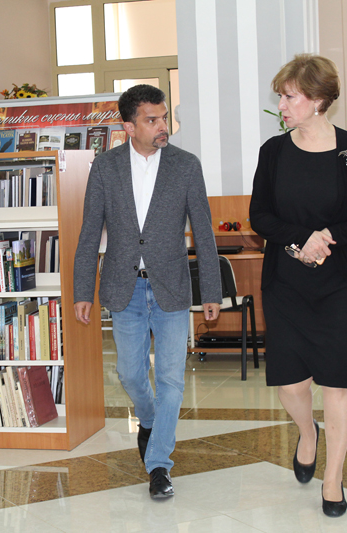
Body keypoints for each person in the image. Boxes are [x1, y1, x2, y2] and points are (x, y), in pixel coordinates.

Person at [249, 54, 347, 517]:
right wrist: (300, 239)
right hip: (287, 282)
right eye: (281, 97)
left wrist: (327, 236)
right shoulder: (274, 152)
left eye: (289, 97)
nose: (281, 105)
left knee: (338, 382)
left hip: (343, 281)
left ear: (317, 99)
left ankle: (333, 477)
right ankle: (307, 433)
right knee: (291, 383)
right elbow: (259, 215)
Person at [73, 84, 222, 499]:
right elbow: (89, 233)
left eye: (164, 118)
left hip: (171, 287)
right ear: (128, 126)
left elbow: (204, 232)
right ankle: (150, 418)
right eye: (152, 120)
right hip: (125, 288)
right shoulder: (105, 168)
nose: (162, 127)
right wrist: (83, 290)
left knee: (171, 378)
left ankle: (158, 464)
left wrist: (210, 290)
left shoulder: (185, 166)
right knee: (131, 374)